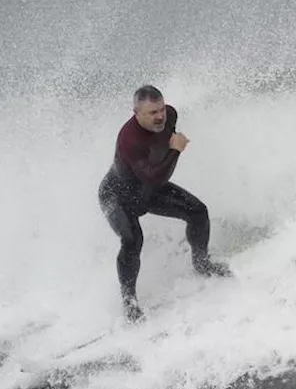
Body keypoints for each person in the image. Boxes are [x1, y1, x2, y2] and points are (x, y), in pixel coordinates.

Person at [98, 85, 231, 323]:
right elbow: (154, 177)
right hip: (117, 195)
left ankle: (202, 264)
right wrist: (176, 151)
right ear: (136, 113)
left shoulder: (171, 115)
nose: (160, 116)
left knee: (198, 212)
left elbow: (155, 171)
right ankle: (130, 303)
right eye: (152, 113)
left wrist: (171, 145)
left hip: (147, 190)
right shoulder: (130, 139)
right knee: (132, 240)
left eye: (161, 109)